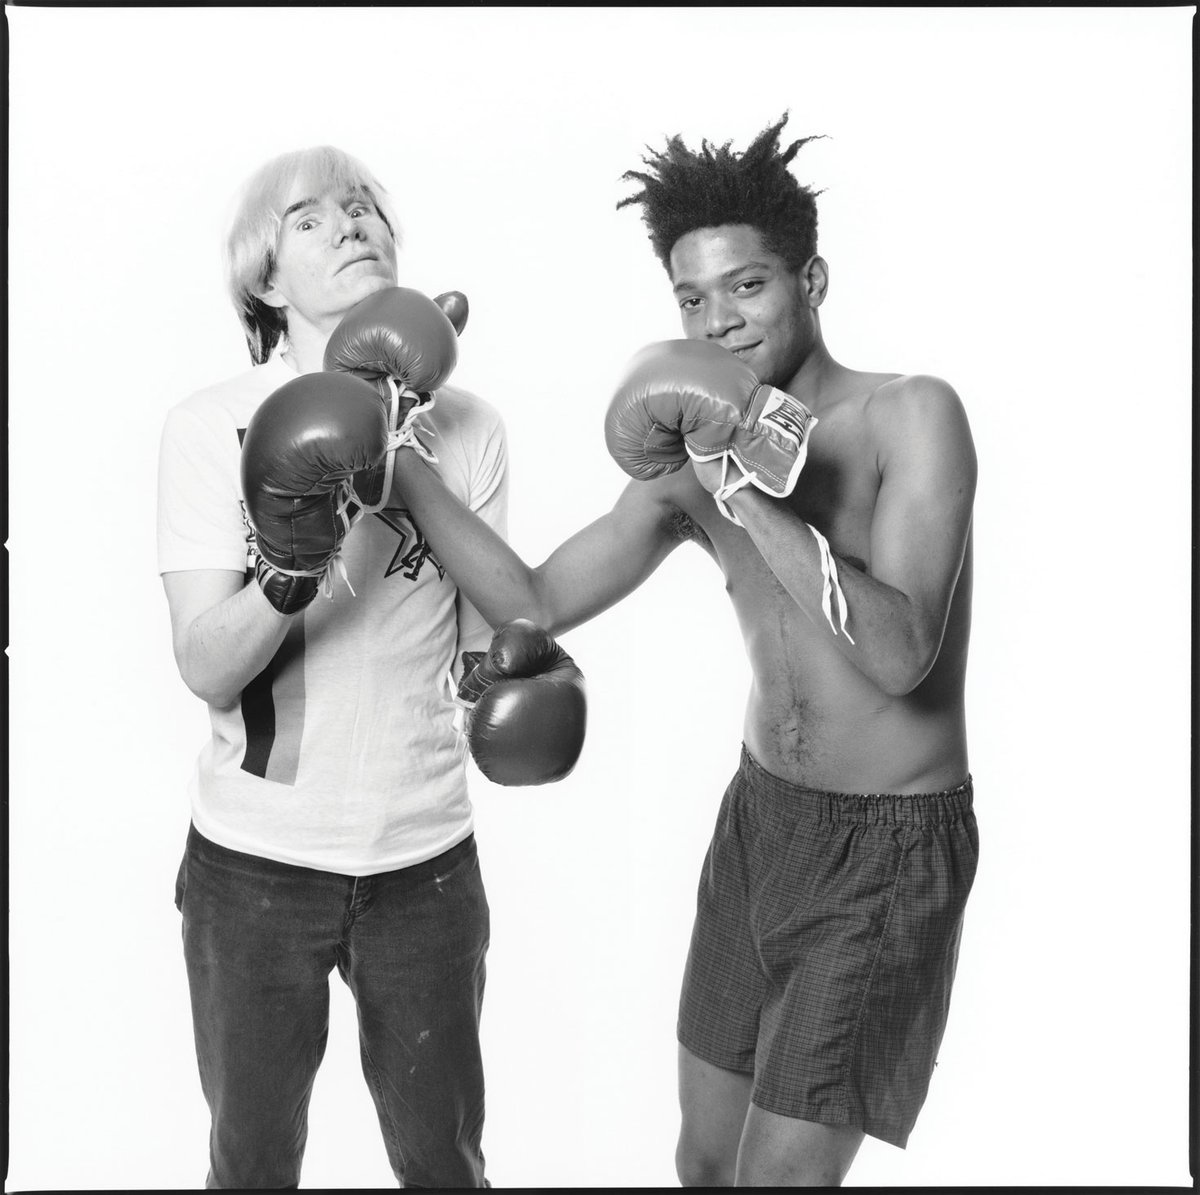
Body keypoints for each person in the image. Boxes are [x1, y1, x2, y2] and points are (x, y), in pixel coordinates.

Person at [388, 114, 980, 1186]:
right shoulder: (688, 458)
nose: (720, 322)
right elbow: (535, 594)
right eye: (692, 300)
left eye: (747, 287)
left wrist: (743, 487)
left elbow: (901, 655)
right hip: (761, 823)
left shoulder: (911, 417)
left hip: (887, 851)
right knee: (704, 1164)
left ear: (813, 278)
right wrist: (401, 460)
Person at [156, 145, 583, 1189]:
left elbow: (484, 644)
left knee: (444, 1164)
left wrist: (520, 683)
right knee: (252, 1167)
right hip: (254, 864)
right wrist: (293, 566)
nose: (351, 226)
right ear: (265, 277)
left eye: (364, 210)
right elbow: (205, 666)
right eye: (311, 217)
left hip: (424, 861)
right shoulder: (215, 424)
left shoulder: (471, 428)